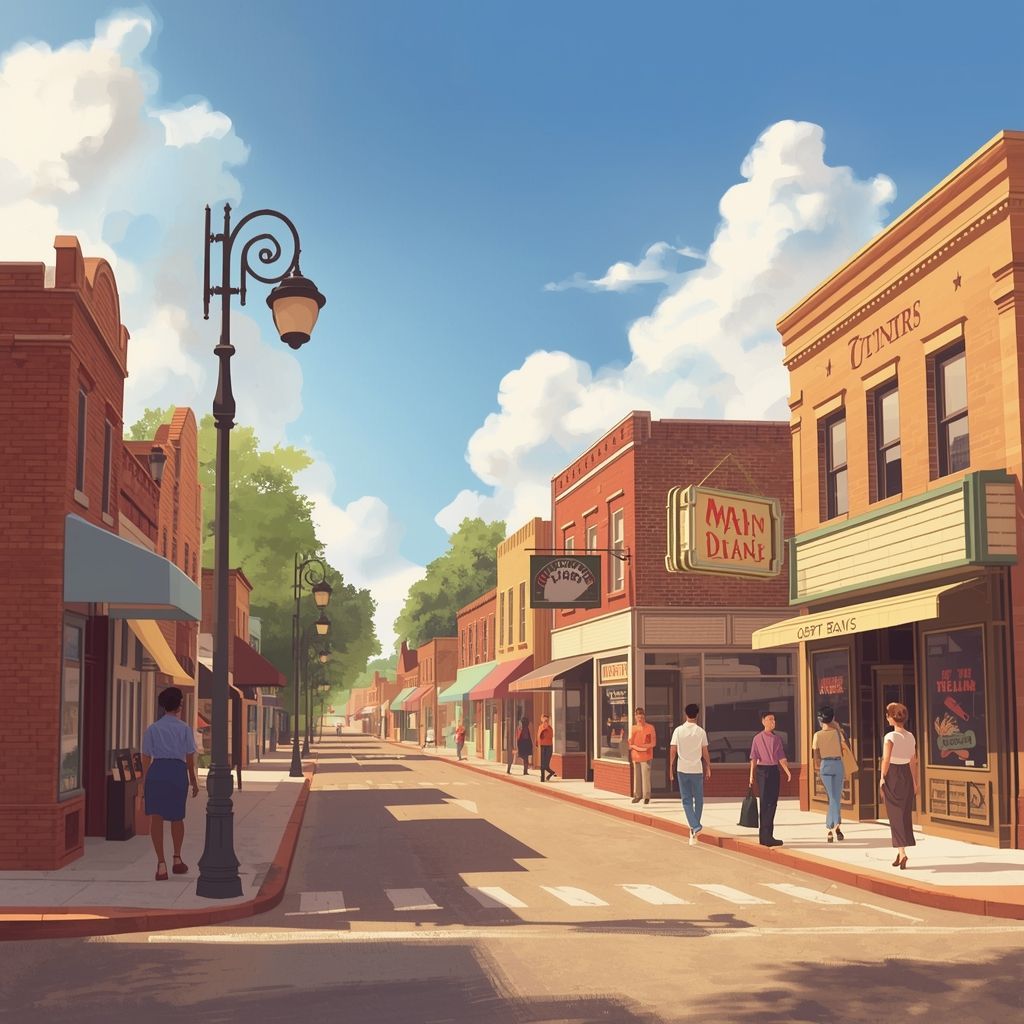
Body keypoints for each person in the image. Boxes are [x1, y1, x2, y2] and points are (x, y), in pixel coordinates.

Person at [141, 687, 199, 881]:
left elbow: (146, 758)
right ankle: (177, 858)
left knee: (156, 817)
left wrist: (143, 783)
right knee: (177, 817)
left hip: (157, 772)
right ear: (179, 705)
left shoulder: (152, 729)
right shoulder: (184, 729)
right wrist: (193, 780)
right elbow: (189, 757)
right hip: (176, 772)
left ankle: (161, 864)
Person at [880, 701, 918, 869]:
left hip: (893, 775)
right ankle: (900, 850)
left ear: (891, 718)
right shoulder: (910, 736)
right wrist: (915, 782)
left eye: (888, 715)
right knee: (903, 815)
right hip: (906, 776)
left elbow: (886, 759)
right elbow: (913, 761)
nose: (887, 718)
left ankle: (902, 853)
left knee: (894, 816)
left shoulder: (890, 737)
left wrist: (882, 777)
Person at [669, 703, 711, 845]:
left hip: (682, 769)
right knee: (698, 799)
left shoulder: (678, 731)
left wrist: (670, 768)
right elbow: (705, 752)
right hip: (697, 770)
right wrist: (708, 767)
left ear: (685, 714)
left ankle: (695, 826)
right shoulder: (701, 732)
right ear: (697, 714)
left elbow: (673, 750)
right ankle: (695, 827)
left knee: (686, 800)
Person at [749, 711, 792, 847]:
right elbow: (753, 758)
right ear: (763, 721)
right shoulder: (757, 738)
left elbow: (781, 757)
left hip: (774, 771)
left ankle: (769, 836)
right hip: (762, 771)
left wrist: (787, 771)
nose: (773, 722)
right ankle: (764, 836)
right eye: (770, 719)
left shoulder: (777, 738)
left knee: (773, 803)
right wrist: (751, 775)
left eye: (774, 720)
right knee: (764, 802)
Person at [812, 705, 846, 843]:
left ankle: (832, 829)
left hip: (825, 765)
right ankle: (834, 828)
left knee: (833, 798)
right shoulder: (838, 733)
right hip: (837, 764)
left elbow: (815, 753)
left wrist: (817, 767)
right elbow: (844, 748)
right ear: (832, 718)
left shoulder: (817, 735)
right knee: (835, 797)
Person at [628, 707, 656, 804]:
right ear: (635, 717)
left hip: (646, 755)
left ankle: (646, 796)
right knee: (637, 776)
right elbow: (630, 742)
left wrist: (642, 747)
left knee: (645, 776)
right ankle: (637, 795)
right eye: (638, 717)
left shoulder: (650, 728)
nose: (640, 719)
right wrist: (631, 744)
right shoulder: (633, 728)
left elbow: (652, 743)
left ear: (644, 717)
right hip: (635, 755)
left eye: (641, 717)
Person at [537, 714, 555, 781]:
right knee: (542, 764)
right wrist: (537, 743)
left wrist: (545, 727)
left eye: (546, 719)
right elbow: (538, 736)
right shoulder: (540, 727)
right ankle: (542, 778)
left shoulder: (549, 728)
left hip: (548, 746)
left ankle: (551, 773)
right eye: (544, 719)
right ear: (541, 719)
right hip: (542, 746)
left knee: (546, 764)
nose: (545, 721)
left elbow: (551, 735)